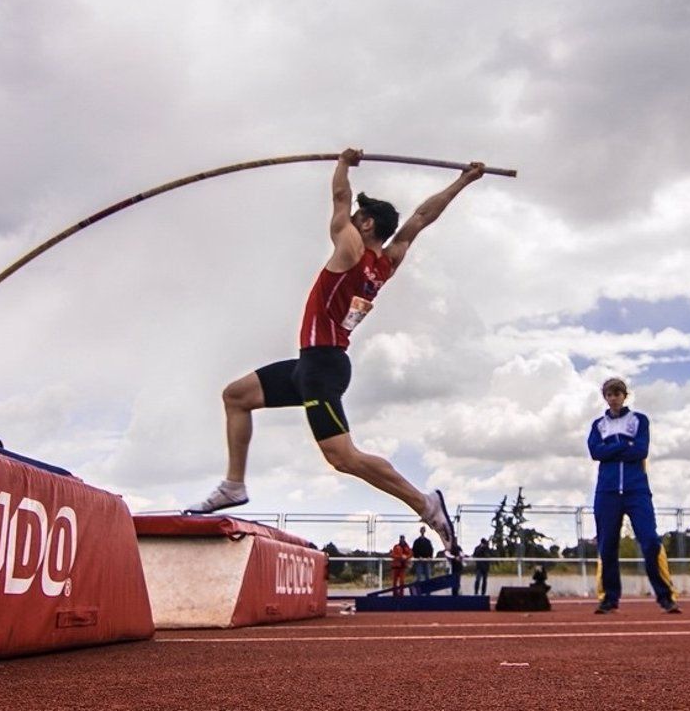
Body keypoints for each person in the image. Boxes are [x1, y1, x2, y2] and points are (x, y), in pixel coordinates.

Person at [185, 148, 485, 561]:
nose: (350, 220)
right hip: (313, 364)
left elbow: (340, 202)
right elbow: (419, 220)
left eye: (358, 218)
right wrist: (463, 181)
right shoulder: (386, 262)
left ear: (366, 223)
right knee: (236, 396)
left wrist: (343, 164)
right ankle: (234, 485)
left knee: (343, 458)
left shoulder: (350, 252)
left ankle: (425, 504)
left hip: (322, 366)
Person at [588, 377, 680, 615]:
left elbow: (641, 449)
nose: (614, 398)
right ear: (605, 397)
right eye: (609, 394)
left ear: (625, 395)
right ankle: (609, 598)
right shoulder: (599, 425)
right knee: (607, 545)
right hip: (607, 492)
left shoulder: (639, 420)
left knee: (650, 541)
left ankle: (665, 596)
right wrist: (623, 447)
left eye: (617, 393)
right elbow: (595, 452)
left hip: (636, 489)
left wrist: (613, 451)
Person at [412, 526, 435, 590]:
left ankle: (428, 591)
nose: (423, 531)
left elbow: (431, 549)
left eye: (423, 530)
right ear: (420, 531)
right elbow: (414, 550)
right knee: (419, 577)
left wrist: (430, 557)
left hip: (426, 561)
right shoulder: (416, 541)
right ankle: (418, 592)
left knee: (428, 577)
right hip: (419, 561)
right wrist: (418, 557)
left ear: (425, 531)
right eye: (422, 530)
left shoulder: (428, 541)